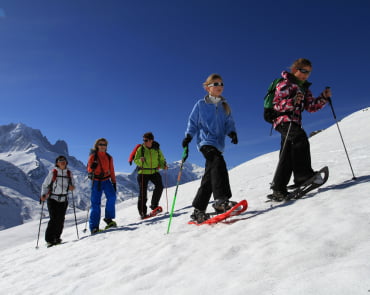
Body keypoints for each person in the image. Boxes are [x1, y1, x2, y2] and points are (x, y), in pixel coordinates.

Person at [269, 58, 331, 200]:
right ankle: (302, 176)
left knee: (287, 153)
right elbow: (277, 105)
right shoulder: (285, 84)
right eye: (303, 70)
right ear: (294, 70)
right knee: (300, 139)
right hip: (283, 120)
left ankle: (278, 188)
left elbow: (311, 107)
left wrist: (323, 97)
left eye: (308, 72)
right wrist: (292, 101)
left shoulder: (304, 88)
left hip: (294, 122)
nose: (305, 74)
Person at [182, 73, 238, 223]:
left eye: (221, 83)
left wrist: (232, 133)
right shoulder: (201, 104)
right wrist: (188, 136)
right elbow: (193, 122)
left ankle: (198, 210)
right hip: (206, 142)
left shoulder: (225, 105)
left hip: (218, 145)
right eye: (216, 84)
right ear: (208, 88)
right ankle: (221, 200)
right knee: (218, 163)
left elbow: (229, 123)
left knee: (209, 176)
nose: (219, 86)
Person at [40, 155, 75, 247]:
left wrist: (72, 187)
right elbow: (45, 185)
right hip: (53, 199)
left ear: (66, 162)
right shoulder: (53, 173)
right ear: (57, 163)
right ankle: (50, 239)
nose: (62, 162)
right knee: (54, 219)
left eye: (63, 160)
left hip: (64, 199)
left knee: (61, 219)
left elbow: (73, 185)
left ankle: (57, 237)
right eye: (60, 161)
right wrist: (43, 195)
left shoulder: (69, 174)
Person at [134, 132, 167, 219]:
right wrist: (140, 160)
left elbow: (161, 159)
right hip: (143, 173)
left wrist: (164, 165)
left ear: (151, 140)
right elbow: (135, 159)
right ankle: (142, 213)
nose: (144, 142)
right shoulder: (141, 149)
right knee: (143, 193)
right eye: (143, 140)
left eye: (146, 140)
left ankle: (154, 206)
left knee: (159, 186)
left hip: (154, 172)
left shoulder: (157, 149)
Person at [87, 138, 117, 234]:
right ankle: (94, 227)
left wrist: (114, 182)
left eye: (104, 144)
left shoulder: (109, 157)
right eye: (101, 144)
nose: (102, 146)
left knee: (112, 197)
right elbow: (89, 169)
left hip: (106, 180)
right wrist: (92, 168)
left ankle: (108, 218)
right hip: (96, 181)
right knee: (95, 204)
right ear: (97, 145)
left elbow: (111, 170)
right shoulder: (93, 156)